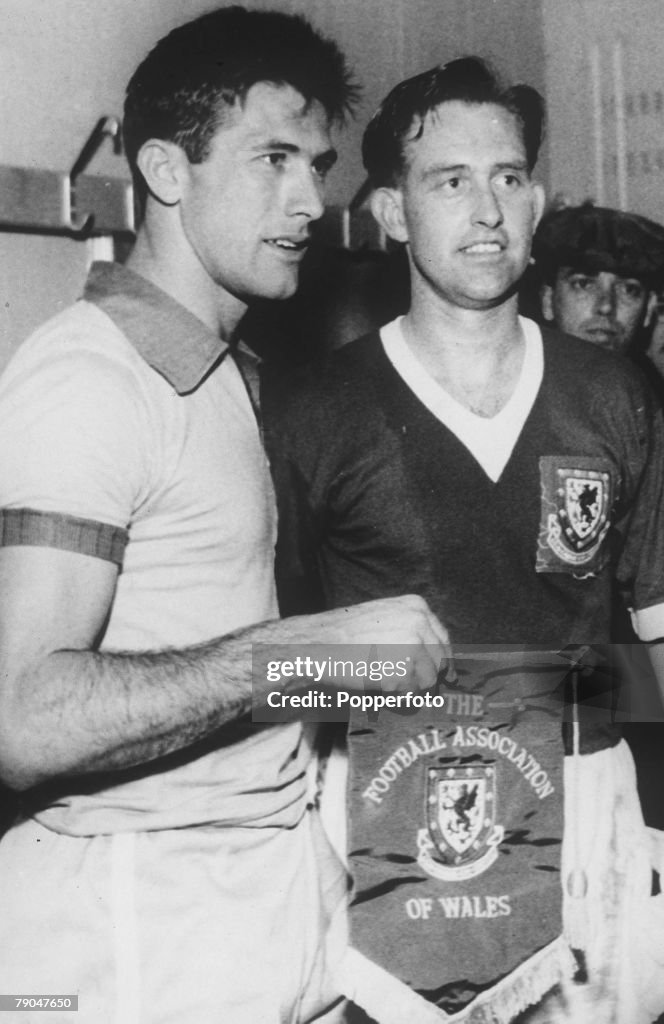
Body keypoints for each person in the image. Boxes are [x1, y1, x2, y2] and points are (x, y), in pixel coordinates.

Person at [0, 9, 450, 1024]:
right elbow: (19, 716)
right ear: (166, 168)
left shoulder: (225, 373)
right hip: (132, 926)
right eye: (273, 159)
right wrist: (295, 651)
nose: (307, 198)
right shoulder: (88, 377)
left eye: (319, 162)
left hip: (249, 893)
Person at [267, 58, 664, 1023]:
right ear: (394, 213)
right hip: (399, 804)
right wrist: (433, 689)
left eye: (510, 178)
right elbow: (271, 666)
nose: (487, 209)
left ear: (536, 200)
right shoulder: (312, 408)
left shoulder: (614, 395)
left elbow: (654, 632)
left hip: (586, 801)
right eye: (451, 181)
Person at [533, 202, 664, 356]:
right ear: (548, 300)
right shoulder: (524, 377)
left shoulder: (645, 379)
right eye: (583, 284)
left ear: (648, 309)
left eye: (629, 289)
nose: (606, 306)